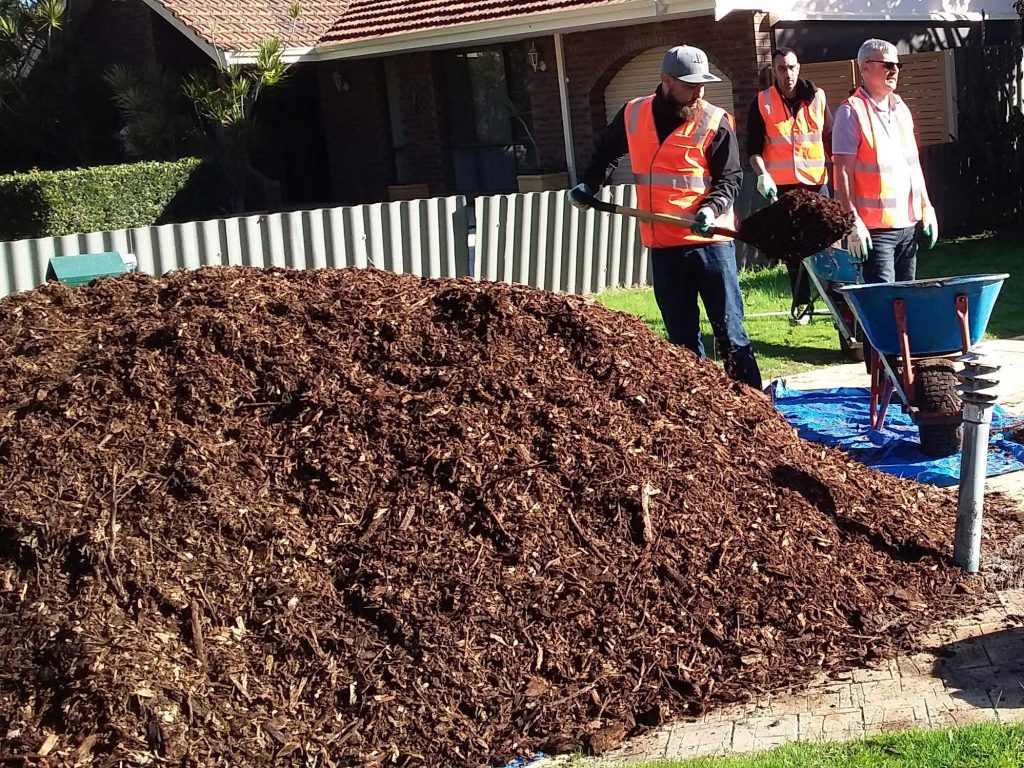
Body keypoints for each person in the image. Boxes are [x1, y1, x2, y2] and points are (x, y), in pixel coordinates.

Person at [569, 45, 761, 390]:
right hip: (665, 247)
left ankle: (755, 407)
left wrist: (710, 208)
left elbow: (731, 178)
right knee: (681, 342)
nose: (698, 92)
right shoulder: (633, 114)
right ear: (667, 81)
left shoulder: (714, 121)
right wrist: (589, 184)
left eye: (702, 85)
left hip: (710, 243)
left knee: (731, 332)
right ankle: (697, 407)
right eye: (690, 85)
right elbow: (605, 153)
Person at [832, 39, 938, 284]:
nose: (895, 70)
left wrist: (927, 208)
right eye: (888, 65)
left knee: (906, 299)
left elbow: (913, 165)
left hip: (908, 226)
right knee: (884, 302)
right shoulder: (851, 112)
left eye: (898, 65)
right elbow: (843, 173)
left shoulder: (901, 108)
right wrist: (852, 222)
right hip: (875, 231)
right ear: (865, 68)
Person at [747, 47, 833, 325]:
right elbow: (753, 149)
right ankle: (802, 305)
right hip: (783, 188)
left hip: (817, 184)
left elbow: (831, 139)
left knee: (830, 245)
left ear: (799, 67)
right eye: (782, 69)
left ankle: (839, 304)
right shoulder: (762, 102)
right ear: (774, 71)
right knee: (794, 251)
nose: (788, 74)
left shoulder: (817, 98)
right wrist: (763, 175)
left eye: (792, 67)